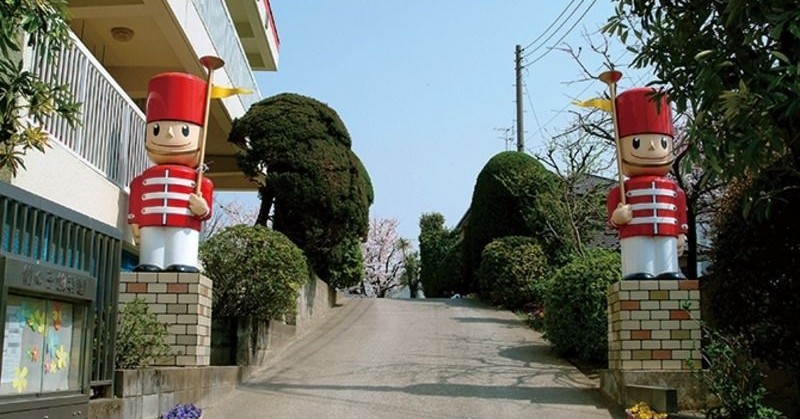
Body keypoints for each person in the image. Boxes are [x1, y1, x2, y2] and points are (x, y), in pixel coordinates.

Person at [128, 72, 213, 273]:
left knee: (180, 251)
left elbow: (206, 209)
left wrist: (202, 209)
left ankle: (183, 263)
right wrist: (134, 222)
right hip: (150, 222)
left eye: (184, 130)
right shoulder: (145, 178)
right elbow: (136, 197)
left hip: (183, 223)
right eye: (156, 129)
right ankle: (151, 262)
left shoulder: (200, 181)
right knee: (151, 256)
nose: (169, 134)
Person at [607, 87, 687, 280]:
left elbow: (681, 210)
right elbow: (612, 217)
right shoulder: (622, 190)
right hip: (636, 234)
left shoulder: (673, 189)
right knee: (639, 258)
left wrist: (681, 234)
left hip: (667, 232)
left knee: (667, 263)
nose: (652, 147)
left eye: (663, 143)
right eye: (636, 143)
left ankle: (668, 272)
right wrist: (617, 217)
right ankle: (637, 272)